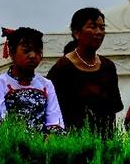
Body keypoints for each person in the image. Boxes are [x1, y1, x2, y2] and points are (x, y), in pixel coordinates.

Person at [46, 7, 122, 135]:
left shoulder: (108, 67)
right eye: (92, 27)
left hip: (104, 145)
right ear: (76, 32)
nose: (98, 32)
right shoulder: (62, 68)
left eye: (102, 28)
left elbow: (112, 110)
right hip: (72, 144)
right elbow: (52, 110)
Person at [0, 27, 64, 134]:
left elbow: (55, 122)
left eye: (37, 51)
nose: (32, 56)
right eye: (26, 51)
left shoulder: (46, 84)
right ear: (12, 52)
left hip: (42, 146)